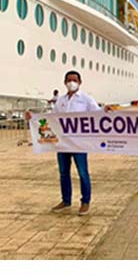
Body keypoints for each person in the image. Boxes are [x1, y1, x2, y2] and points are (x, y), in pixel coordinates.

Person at [25, 70, 100, 216]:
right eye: (69, 80)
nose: (72, 83)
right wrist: (33, 117)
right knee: (64, 173)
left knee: (83, 173)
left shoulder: (86, 99)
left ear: (80, 82)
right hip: (63, 143)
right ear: (65, 82)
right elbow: (51, 117)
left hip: (79, 144)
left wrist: (107, 111)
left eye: (75, 80)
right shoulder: (61, 100)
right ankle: (66, 200)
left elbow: (97, 114)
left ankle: (85, 202)